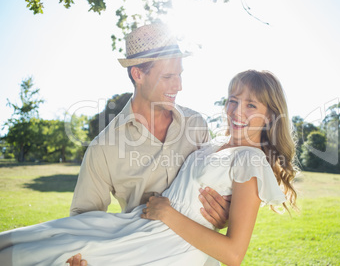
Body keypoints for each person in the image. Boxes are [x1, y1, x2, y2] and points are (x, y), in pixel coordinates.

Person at [0, 69, 298, 266]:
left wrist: (167, 213)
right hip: (139, 223)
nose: (237, 111)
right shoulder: (212, 141)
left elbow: (234, 254)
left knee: (66, 252)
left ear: (271, 116)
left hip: (166, 246)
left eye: (251, 106)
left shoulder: (251, 160)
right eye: (233, 101)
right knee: (59, 235)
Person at [67, 23, 230, 265]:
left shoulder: (196, 125)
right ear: (138, 74)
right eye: (168, 77)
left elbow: (213, 192)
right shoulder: (104, 147)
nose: (179, 85)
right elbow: (84, 220)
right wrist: (79, 255)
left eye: (180, 74)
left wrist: (222, 214)